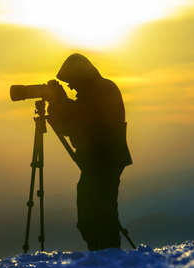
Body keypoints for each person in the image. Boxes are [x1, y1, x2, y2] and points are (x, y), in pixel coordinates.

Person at [46, 53, 132, 251]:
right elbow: (72, 127)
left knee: (102, 213)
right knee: (90, 215)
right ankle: (101, 252)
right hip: (98, 162)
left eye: (71, 82)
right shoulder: (99, 90)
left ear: (80, 77)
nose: (70, 87)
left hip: (104, 162)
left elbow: (82, 123)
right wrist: (58, 105)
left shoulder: (102, 91)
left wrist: (60, 101)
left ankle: (109, 255)